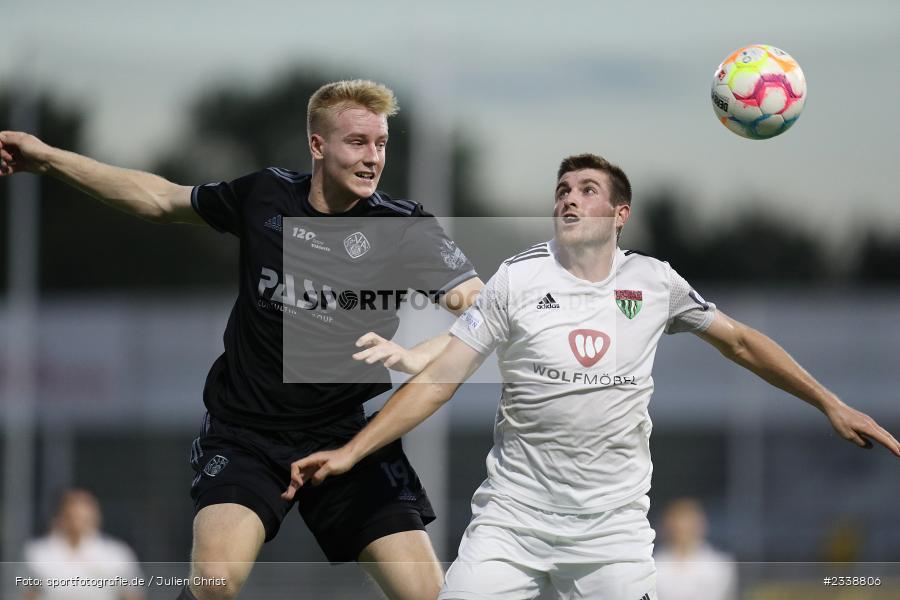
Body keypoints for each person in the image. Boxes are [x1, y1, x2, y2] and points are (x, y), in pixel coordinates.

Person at [283, 153, 900, 600]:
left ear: (619, 213)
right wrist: (352, 450)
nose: (569, 199)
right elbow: (440, 379)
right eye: (561, 190)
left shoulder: (655, 282)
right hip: (513, 521)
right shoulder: (517, 281)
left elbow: (740, 341)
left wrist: (830, 404)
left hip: (611, 530)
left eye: (586, 189)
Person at [0, 79, 484, 600]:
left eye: (381, 144)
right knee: (215, 584)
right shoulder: (264, 195)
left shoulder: (403, 227)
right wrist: (47, 159)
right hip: (246, 435)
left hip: (345, 435)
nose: (373, 158)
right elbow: (160, 199)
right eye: (357, 142)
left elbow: (486, 311)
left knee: (428, 595)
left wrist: (417, 355)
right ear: (318, 146)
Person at [23, 489, 144, 600]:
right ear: (61, 517)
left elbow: (132, 594)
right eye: (73, 516)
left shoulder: (116, 554)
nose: (78, 522)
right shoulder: (38, 553)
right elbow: (29, 594)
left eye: (84, 517)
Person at [654, 498, 737, 600]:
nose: (684, 528)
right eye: (679, 522)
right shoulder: (653, 565)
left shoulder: (721, 565)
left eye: (689, 522)